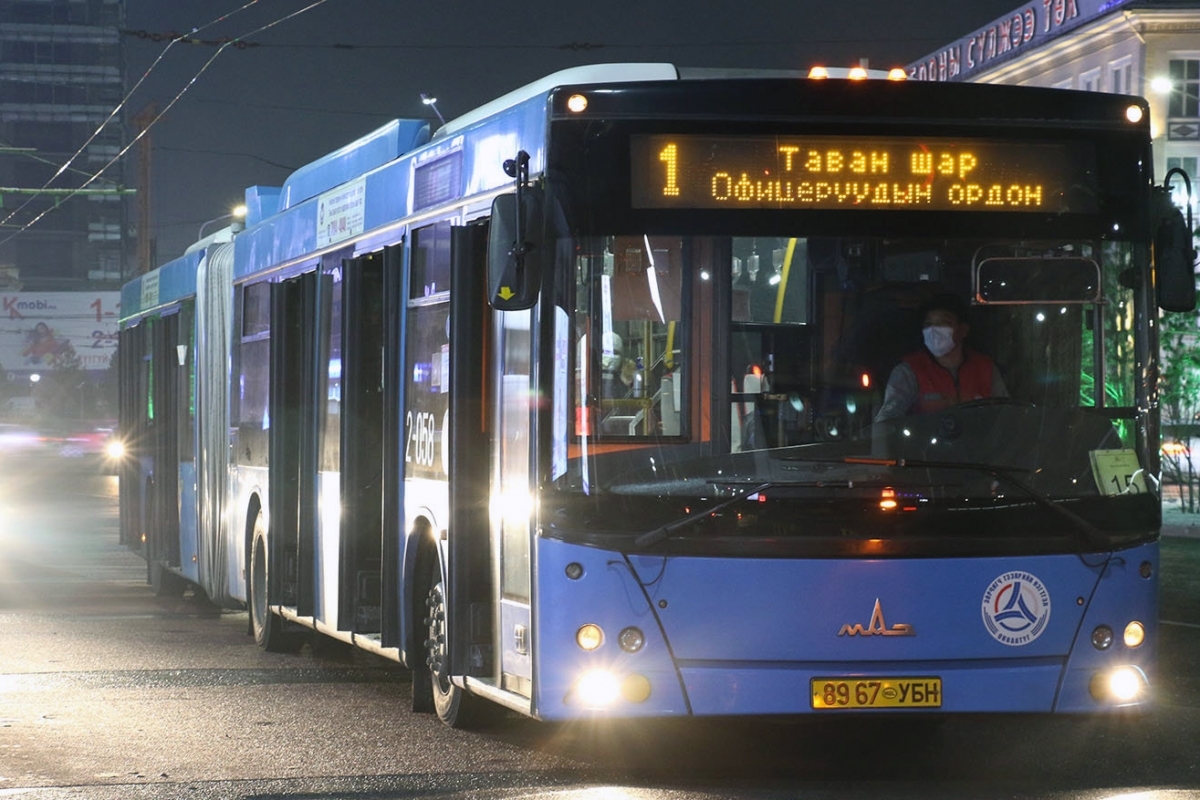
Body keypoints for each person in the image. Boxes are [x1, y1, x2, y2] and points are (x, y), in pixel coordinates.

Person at [874, 293, 1008, 422]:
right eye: (928, 324)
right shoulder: (909, 371)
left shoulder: (985, 368)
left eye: (943, 322)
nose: (934, 330)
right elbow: (888, 419)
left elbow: (1006, 414)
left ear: (963, 330)